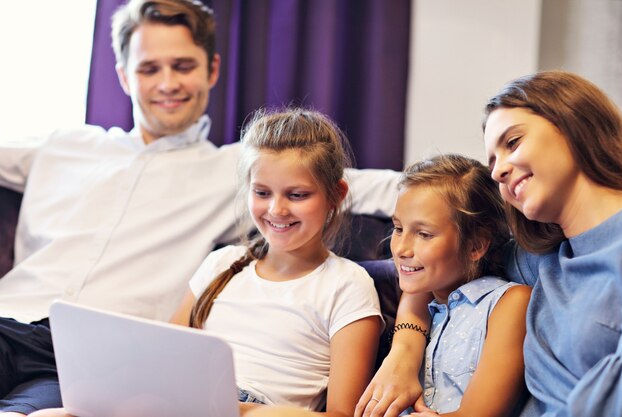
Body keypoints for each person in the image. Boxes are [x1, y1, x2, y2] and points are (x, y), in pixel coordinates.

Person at [0, 1, 399, 415]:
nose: (167, 83)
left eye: (183, 66)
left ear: (211, 70)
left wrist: (464, 191)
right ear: (123, 75)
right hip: (8, 319)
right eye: (149, 68)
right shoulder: (63, 145)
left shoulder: (244, 167)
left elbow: (373, 186)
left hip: (91, 356)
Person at [37, 107, 385, 417]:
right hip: (185, 402)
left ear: (335, 196)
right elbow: (165, 356)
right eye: (262, 192)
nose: (276, 210)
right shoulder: (222, 264)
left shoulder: (347, 285)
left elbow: (343, 414)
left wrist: (242, 409)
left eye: (297, 195)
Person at [355, 70, 622, 417]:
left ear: (574, 125)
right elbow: (429, 268)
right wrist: (404, 351)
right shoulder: (539, 258)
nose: (497, 171)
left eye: (512, 143)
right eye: (493, 161)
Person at [364, 154, 530, 417]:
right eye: (398, 228)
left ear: (476, 245)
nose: (401, 249)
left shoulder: (509, 303)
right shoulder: (420, 298)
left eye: (424, 234)